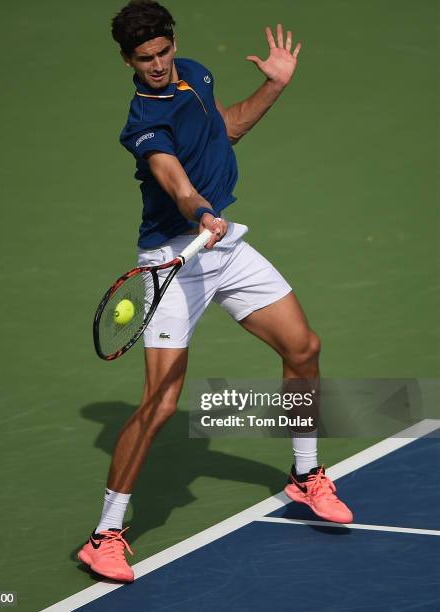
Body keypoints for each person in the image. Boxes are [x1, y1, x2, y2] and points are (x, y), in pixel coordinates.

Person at [78, 0, 353, 583]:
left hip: (223, 248)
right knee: (162, 403)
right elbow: (172, 177)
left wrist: (272, 86)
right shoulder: (142, 116)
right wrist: (200, 211)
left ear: (173, 42)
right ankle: (104, 536)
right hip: (174, 259)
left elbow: (222, 130)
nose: (156, 65)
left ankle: (305, 476)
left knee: (303, 348)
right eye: (143, 58)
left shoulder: (196, 73)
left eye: (162, 52)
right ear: (126, 59)